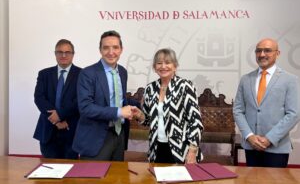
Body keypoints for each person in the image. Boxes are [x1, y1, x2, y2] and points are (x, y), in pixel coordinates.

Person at [233, 38, 300, 167]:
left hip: (277, 147)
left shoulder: (290, 79)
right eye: (258, 51)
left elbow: (294, 113)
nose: (262, 54)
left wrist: (269, 139)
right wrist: (249, 136)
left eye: (267, 50)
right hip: (251, 146)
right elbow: (238, 110)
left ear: (277, 53)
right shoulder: (246, 79)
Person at [132, 48, 203, 164]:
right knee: (156, 181)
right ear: (155, 67)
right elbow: (148, 121)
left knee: (182, 182)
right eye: (159, 63)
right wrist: (139, 115)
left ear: (175, 66)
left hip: (181, 150)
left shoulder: (185, 86)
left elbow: (196, 121)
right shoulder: (150, 88)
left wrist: (193, 150)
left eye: (167, 62)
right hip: (156, 148)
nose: (163, 66)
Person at [72, 30, 134, 161]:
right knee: (92, 180)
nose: (111, 52)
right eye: (106, 48)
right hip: (95, 138)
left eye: (115, 47)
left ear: (121, 49)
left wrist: (134, 109)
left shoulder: (122, 72)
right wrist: (119, 112)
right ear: (100, 50)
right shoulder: (87, 73)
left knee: (117, 179)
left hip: (119, 135)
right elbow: (85, 108)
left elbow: (119, 99)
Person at [34, 39, 81, 159]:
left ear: (73, 54)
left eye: (67, 52)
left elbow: (80, 100)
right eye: (60, 52)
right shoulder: (44, 74)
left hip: (71, 129)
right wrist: (56, 120)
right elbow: (39, 98)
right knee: (49, 171)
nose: (63, 55)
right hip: (48, 130)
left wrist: (60, 115)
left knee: (71, 172)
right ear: (55, 54)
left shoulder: (83, 74)